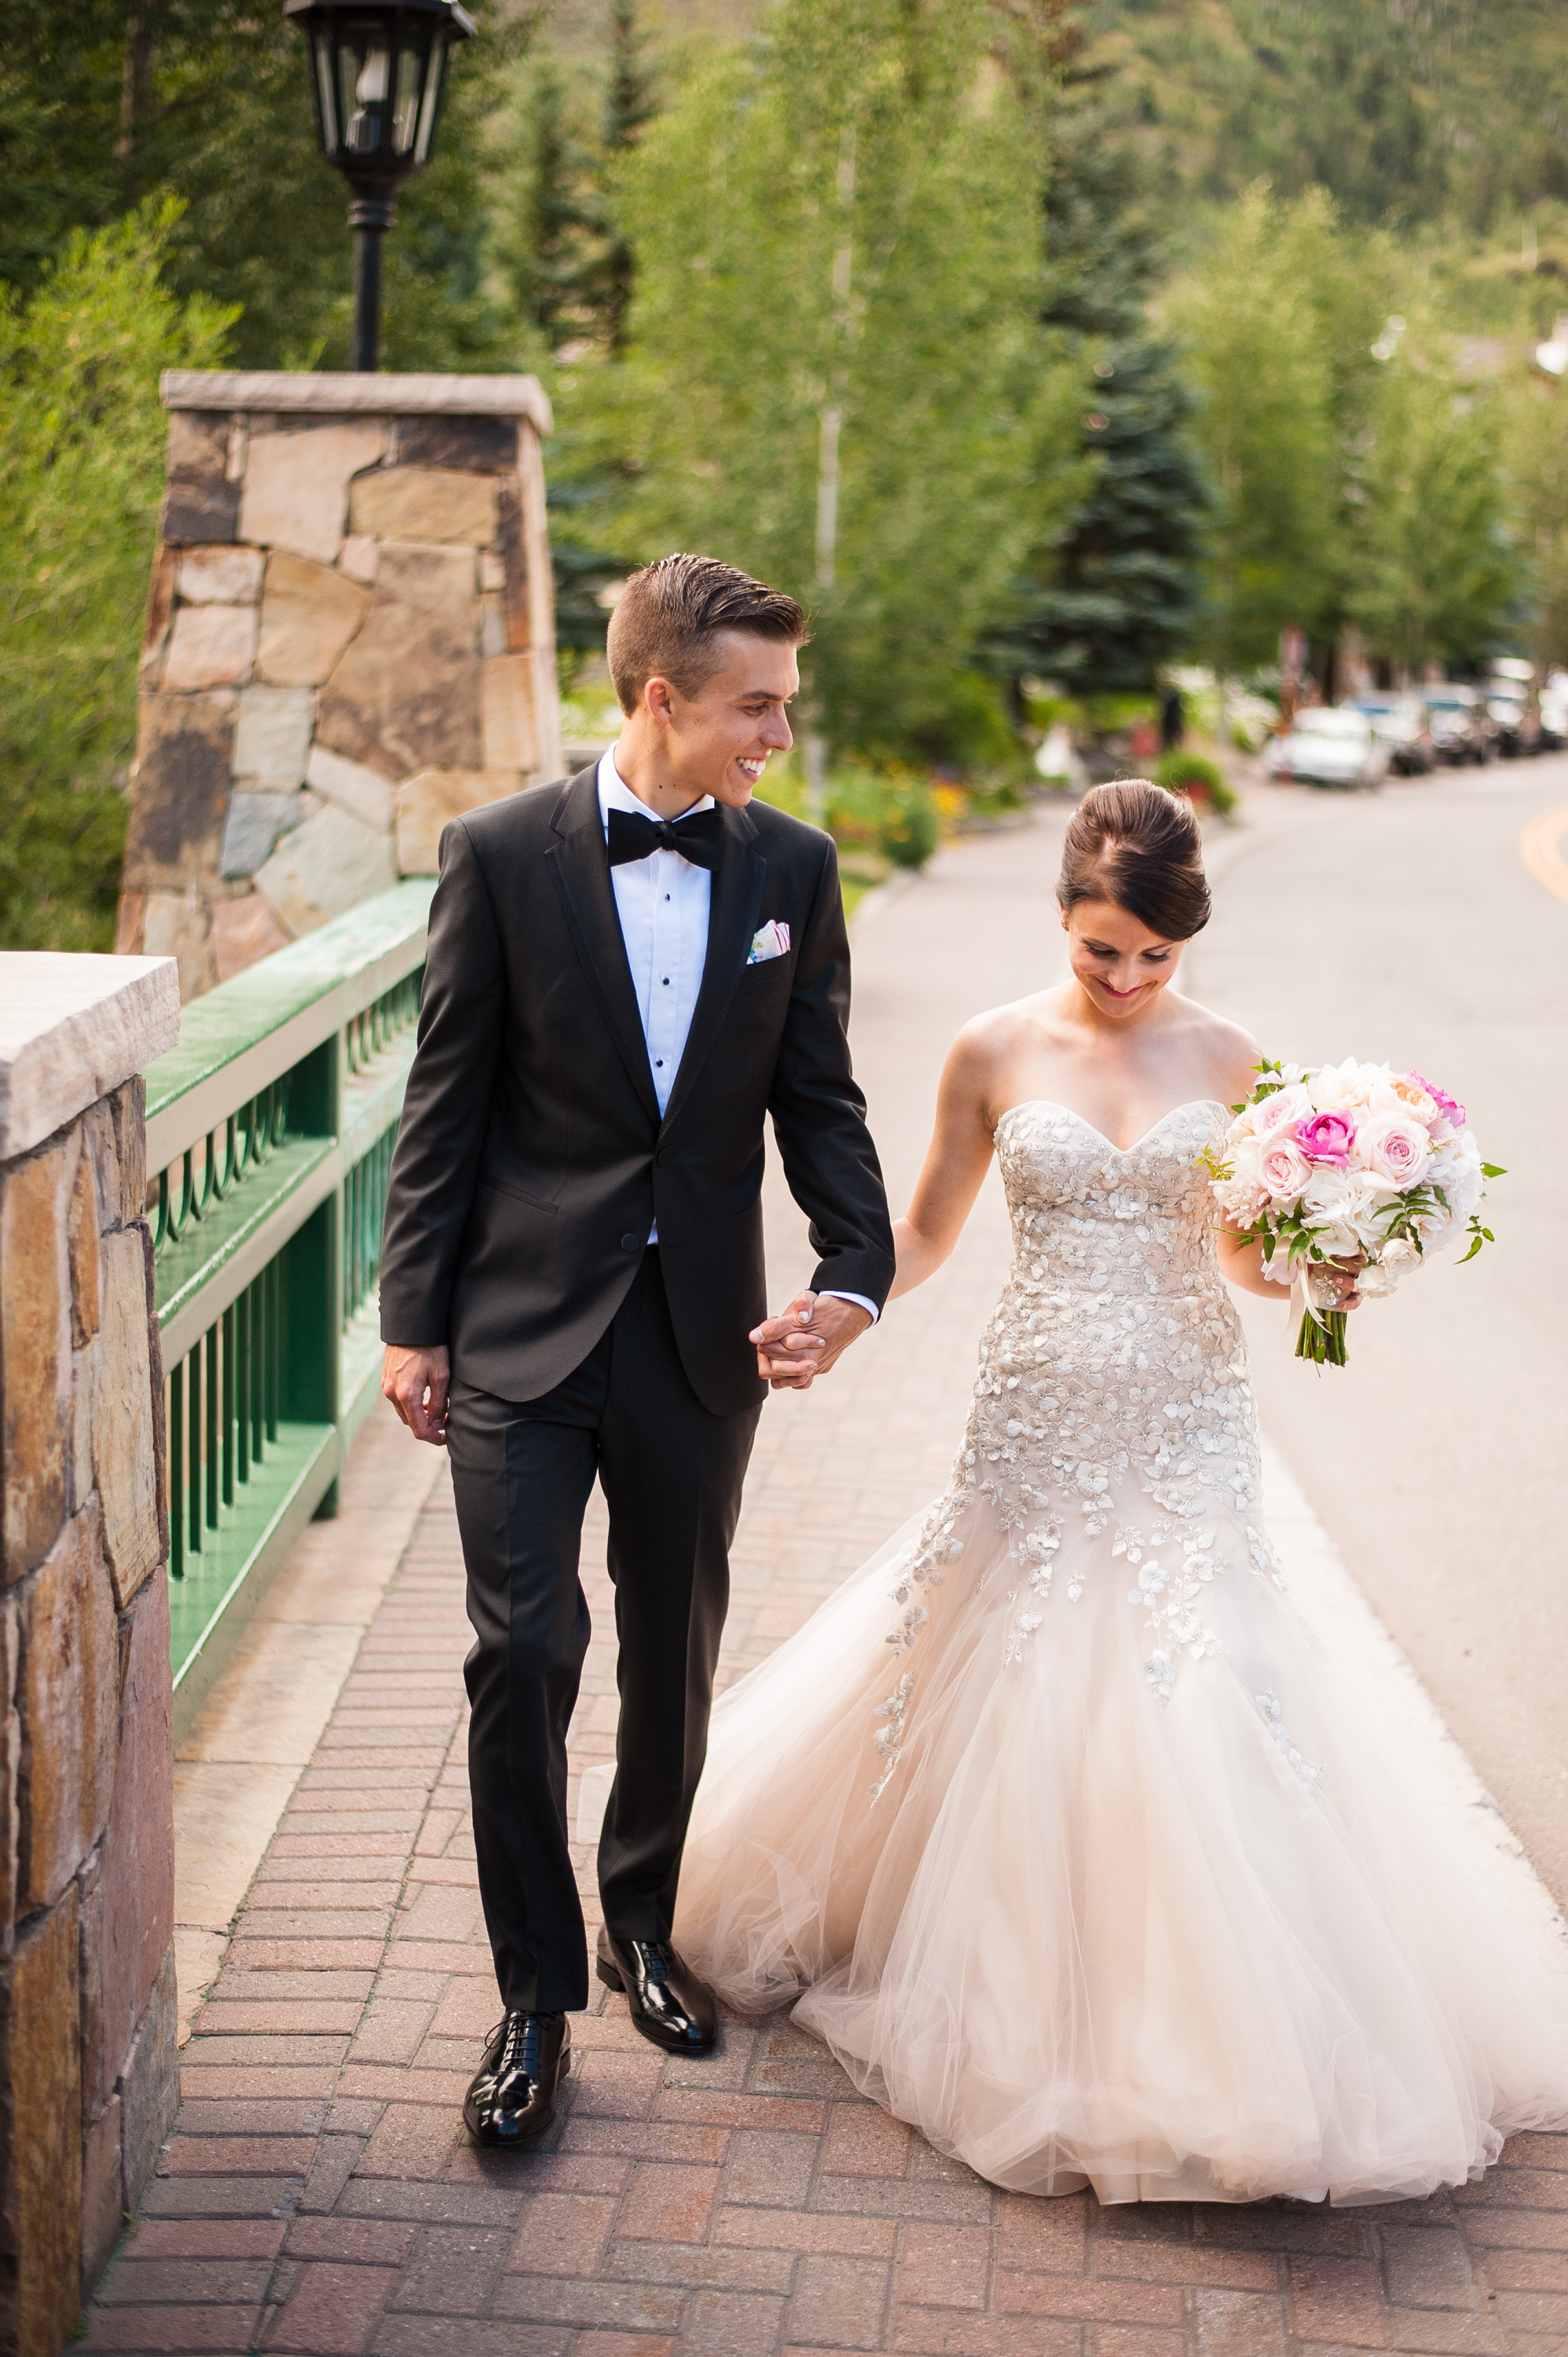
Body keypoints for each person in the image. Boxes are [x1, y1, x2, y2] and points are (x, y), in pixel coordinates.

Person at [672, 779, 1568, 2204]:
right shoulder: (990, 1049)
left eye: (1156, 956)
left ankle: (1226, 2026)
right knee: (1008, 1676)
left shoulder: (1236, 1058)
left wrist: (1324, 1272)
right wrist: (843, 1310)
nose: (1130, 981)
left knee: (1209, 1688)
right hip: (1036, 1413)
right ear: (1065, 921)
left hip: (1186, 1414)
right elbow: (924, 1227)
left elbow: (1239, 1257)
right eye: (1103, 952)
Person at [377, 554, 895, 2148]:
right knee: (522, 1655)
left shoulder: (791, 872)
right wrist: (410, 1320)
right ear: (661, 696)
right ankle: (534, 2002)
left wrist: (852, 1275)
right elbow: (444, 1102)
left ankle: (640, 1929)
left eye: (786, 708)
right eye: (756, 707)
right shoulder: (498, 855)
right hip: (517, 1330)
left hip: (700, 1340)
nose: (777, 739)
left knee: (672, 1647)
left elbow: (817, 1098)